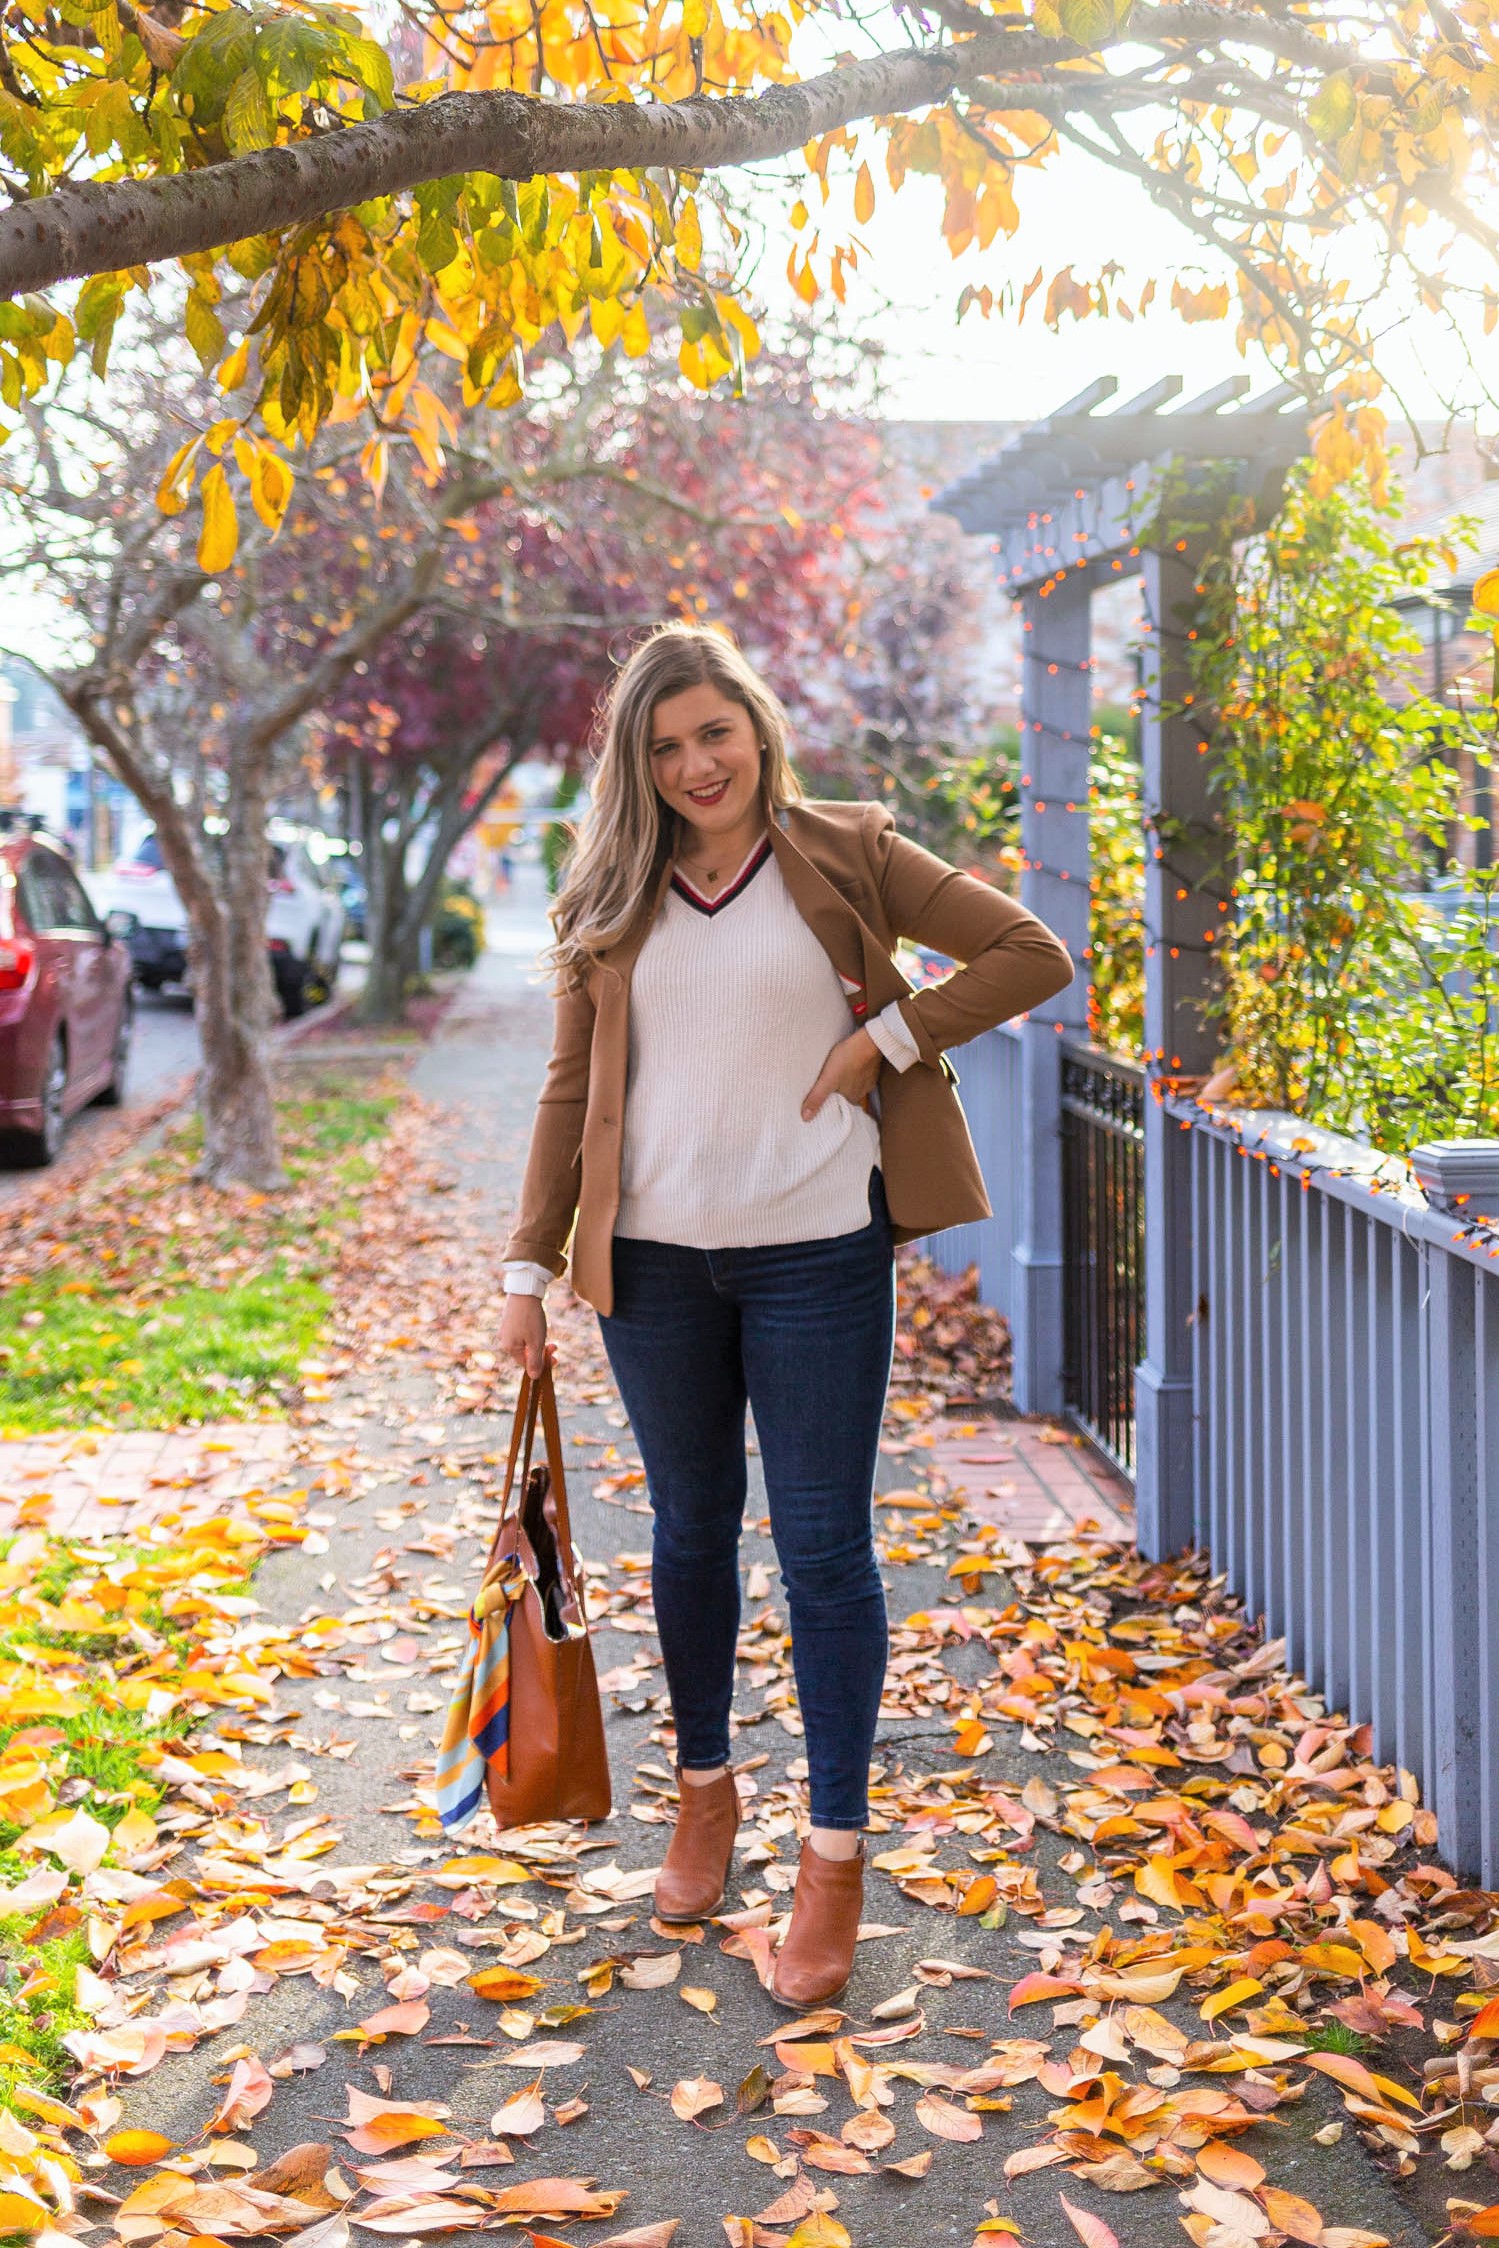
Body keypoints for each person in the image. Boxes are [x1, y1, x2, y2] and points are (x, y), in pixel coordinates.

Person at [498, 622, 1072, 2006]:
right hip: (651, 1266)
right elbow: (572, 1093)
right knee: (690, 1534)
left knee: (824, 1549)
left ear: (757, 725)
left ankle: (832, 1857)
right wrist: (525, 1273)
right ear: (639, 767)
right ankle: (706, 1796)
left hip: (819, 1255)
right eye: (666, 745)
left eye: (717, 731)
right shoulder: (616, 894)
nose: (700, 763)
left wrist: (886, 1036)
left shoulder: (846, 851)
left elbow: (1028, 952)